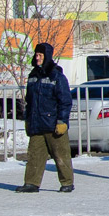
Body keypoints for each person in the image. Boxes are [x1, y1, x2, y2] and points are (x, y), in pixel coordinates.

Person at [17, 42, 74, 193]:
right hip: (37, 123)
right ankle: (31, 183)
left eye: (40, 55)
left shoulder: (57, 76)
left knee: (61, 155)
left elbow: (65, 101)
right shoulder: (32, 76)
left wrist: (62, 121)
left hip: (53, 124)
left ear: (47, 56)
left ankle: (67, 182)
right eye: (36, 55)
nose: (37, 58)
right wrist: (28, 120)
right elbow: (29, 101)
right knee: (34, 155)